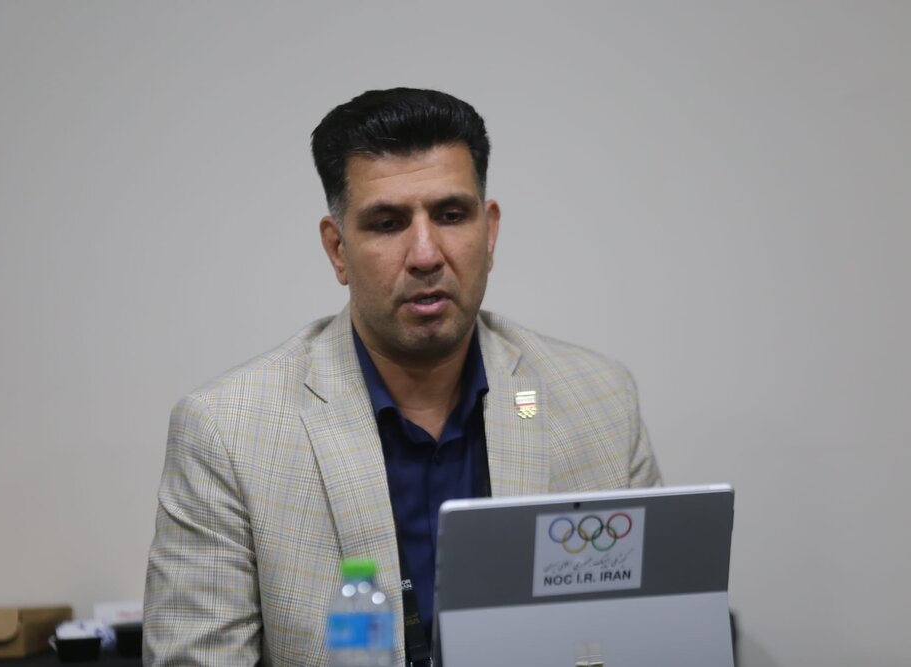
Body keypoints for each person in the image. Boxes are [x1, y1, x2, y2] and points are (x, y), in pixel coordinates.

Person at [143, 87, 660, 667]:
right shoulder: (227, 432)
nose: (425, 254)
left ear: (489, 233)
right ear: (338, 250)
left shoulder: (601, 400)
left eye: (451, 215)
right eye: (388, 223)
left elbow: (652, 637)